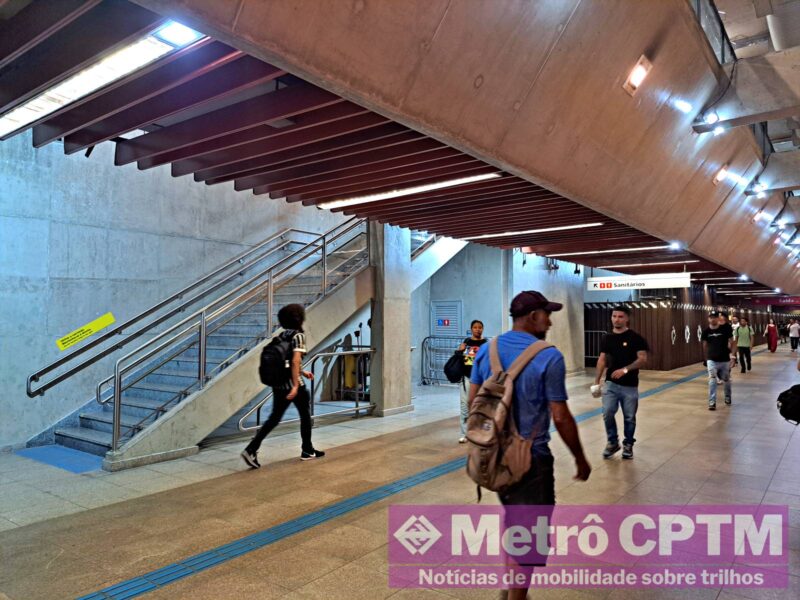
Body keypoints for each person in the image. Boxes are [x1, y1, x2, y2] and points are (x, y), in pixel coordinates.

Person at [469, 290, 591, 600]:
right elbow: (560, 416)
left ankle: (512, 586)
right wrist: (580, 458)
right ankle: (517, 597)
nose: (550, 321)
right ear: (533, 316)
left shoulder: (488, 349)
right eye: (546, 314)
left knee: (514, 522)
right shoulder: (548, 355)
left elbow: (473, 402)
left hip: (492, 455)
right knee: (527, 534)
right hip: (530, 460)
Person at [241, 304, 325, 468]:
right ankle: (307, 450)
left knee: (274, 418)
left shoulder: (281, 336)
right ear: (299, 318)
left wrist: (303, 372)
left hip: (279, 385)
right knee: (305, 416)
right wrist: (295, 385)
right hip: (293, 387)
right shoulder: (298, 336)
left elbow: (287, 361)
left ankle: (252, 448)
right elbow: (294, 360)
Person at [593, 306, 649, 460]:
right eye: (614, 316)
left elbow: (642, 359)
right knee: (608, 412)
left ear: (627, 319)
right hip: (611, 384)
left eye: (620, 317)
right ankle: (612, 442)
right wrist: (596, 381)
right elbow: (602, 359)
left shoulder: (636, 338)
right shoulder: (607, 338)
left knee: (629, 417)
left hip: (629, 385)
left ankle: (628, 444)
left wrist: (625, 369)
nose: (616, 319)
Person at [456, 320, 487, 443]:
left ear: (483, 329)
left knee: (480, 406)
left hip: (481, 379)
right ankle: (465, 433)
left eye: (480, 327)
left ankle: (480, 431)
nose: (477, 329)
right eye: (475, 327)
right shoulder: (466, 342)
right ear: (471, 329)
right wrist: (460, 350)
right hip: (466, 378)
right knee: (464, 406)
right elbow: (458, 359)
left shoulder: (486, 344)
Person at [701, 311, 736, 410]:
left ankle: (728, 397)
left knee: (726, 380)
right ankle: (712, 402)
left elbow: (732, 342)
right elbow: (704, 345)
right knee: (712, 379)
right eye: (711, 317)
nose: (713, 319)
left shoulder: (725, 330)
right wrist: (706, 358)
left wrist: (733, 357)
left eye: (715, 317)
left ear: (718, 318)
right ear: (708, 319)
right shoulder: (706, 331)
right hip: (711, 360)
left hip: (725, 359)